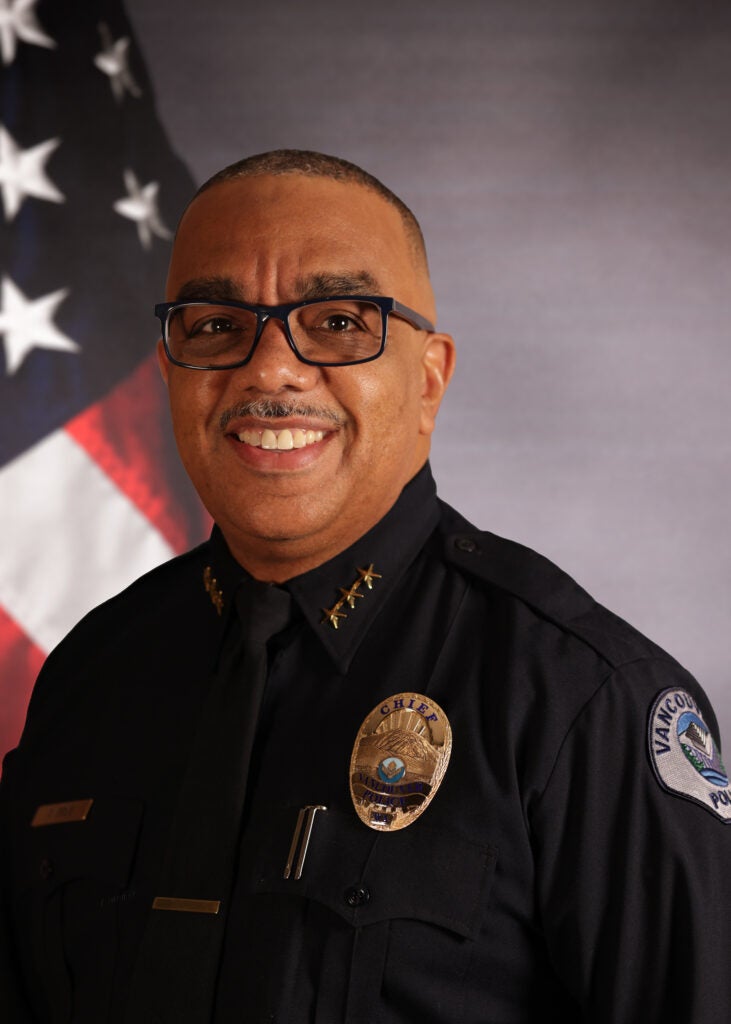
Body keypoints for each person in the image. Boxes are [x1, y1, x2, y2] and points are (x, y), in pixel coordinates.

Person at [1, 150, 729, 1024]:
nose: (269, 370)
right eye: (213, 326)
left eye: (341, 320)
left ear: (428, 379)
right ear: (169, 371)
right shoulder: (92, 674)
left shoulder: (581, 700)